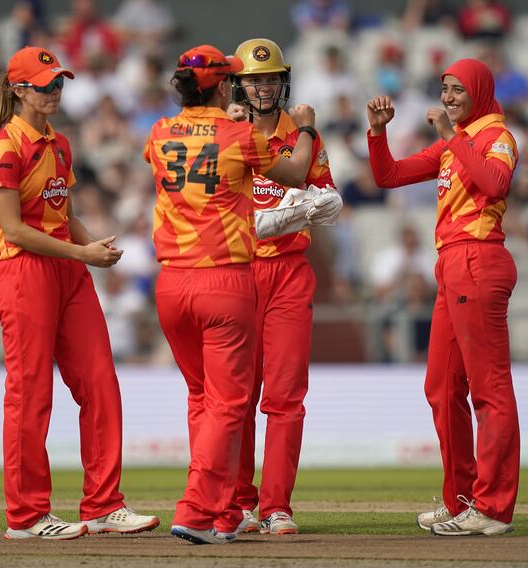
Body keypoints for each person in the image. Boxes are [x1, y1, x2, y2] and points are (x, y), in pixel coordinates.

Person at [0, 46, 159, 540]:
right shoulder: (5, 148)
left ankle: (103, 505)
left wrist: (88, 243)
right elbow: (12, 230)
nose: (55, 92)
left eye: (58, 83)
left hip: (66, 271)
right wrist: (81, 255)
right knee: (30, 395)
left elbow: (62, 215)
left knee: (100, 383)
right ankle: (27, 517)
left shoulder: (58, 143)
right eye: (44, 84)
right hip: (26, 273)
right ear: (18, 90)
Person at [144, 44, 318, 545]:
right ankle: (199, 510)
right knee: (228, 402)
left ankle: (224, 513)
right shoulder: (239, 135)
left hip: (171, 282)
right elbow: (294, 171)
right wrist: (304, 128)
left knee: (203, 398)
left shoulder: (158, 132)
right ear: (226, 86)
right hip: (224, 278)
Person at [366, 58, 520, 536]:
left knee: (488, 390)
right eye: (445, 89)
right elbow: (388, 176)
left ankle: (492, 508)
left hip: (478, 260)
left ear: (478, 90)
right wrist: (376, 133)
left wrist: (452, 136)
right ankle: (462, 500)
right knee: (441, 388)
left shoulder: (497, 137)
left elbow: (496, 183)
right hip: (452, 266)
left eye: (458, 89)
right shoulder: (458, 143)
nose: (449, 97)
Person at [226, 38, 342, 536]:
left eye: (269, 78)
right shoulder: (227, 133)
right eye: (254, 80)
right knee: (238, 393)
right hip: (239, 272)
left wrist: (322, 204)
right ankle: (239, 503)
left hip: (290, 274)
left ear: (282, 81)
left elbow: (327, 197)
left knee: (287, 395)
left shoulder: (303, 135)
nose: (263, 87)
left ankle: (276, 506)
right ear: (240, 85)